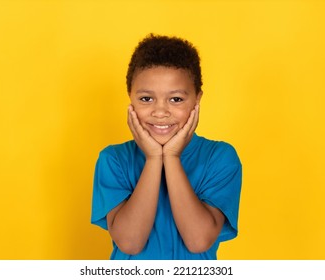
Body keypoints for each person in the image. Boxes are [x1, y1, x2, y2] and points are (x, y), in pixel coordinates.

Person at [91, 34, 242, 260]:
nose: (160, 112)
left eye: (176, 100)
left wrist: (171, 157)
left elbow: (198, 240)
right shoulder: (113, 159)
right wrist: (153, 159)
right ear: (130, 96)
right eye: (146, 99)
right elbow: (130, 243)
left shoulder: (220, 157)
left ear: (197, 99)